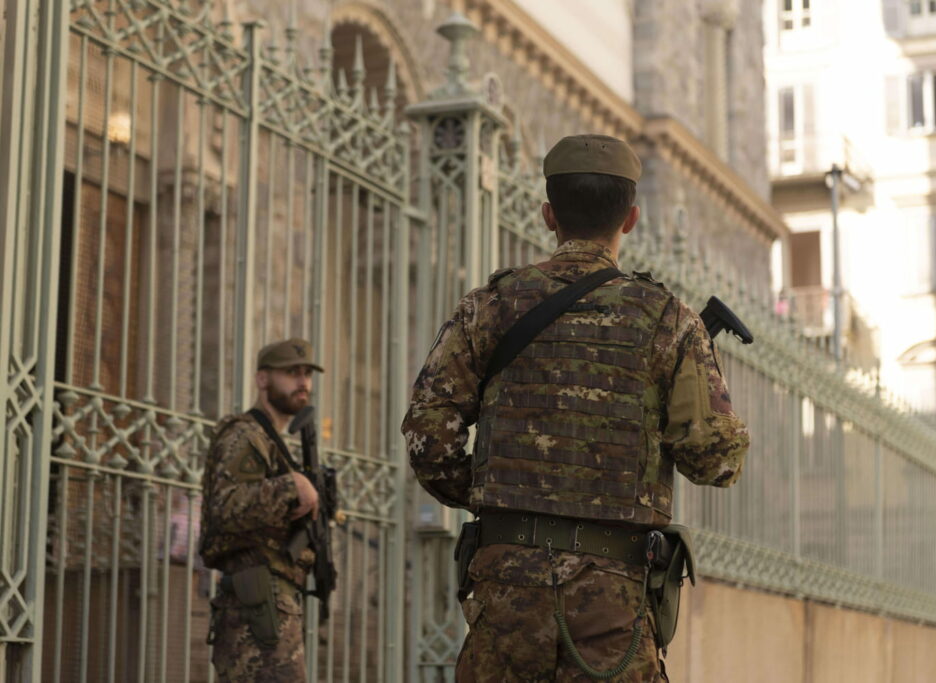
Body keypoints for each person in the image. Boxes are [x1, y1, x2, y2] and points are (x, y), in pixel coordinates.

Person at [402, 134, 750, 681]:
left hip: (505, 589)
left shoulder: (488, 307)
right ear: (631, 218)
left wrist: (490, 494)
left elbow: (428, 435)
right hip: (611, 600)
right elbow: (714, 461)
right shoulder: (668, 319)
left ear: (548, 214)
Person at [200, 338, 324, 681]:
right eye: (290, 373)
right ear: (262, 379)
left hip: (270, 603)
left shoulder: (274, 442)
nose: (303, 382)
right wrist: (291, 486)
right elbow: (223, 506)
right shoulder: (245, 434)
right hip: (255, 604)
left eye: (306, 374)